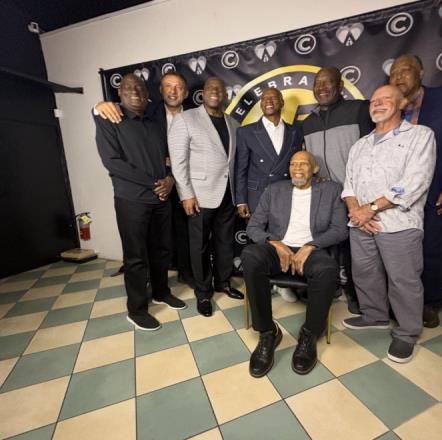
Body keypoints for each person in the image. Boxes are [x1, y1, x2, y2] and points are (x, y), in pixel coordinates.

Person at [341, 85, 436, 363]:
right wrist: (356, 211)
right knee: (365, 273)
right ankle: (375, 316)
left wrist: (369, 209)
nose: (377, 104)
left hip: (399, 223)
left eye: (386, 99)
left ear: (402, 104)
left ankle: (407, 332)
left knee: (403, 279)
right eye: (374, 100)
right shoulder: (360, 144)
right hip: (360, 223)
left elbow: (415, 182)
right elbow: (349, 185)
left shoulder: (420, 135)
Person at [242, 151, 348, 377]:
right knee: (250, 256)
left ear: (315, 169)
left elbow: (340, 230)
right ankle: (268, 333)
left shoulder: (331, 190)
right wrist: (275, 243)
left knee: (327, 270)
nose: (297, 168)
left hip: (312, 250)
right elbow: (253, 227)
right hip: (278, 248)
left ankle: (309, 334)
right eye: (293, 164)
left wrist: (310, 246)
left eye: (303, 164)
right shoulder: (274, 190)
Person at [93, 73, 185, 331]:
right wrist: (154, 184)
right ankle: (136, 309)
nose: (135, 91)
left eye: (140, 88)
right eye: (128, 87)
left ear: (148, 95)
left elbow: (168, 159)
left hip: (161, 199)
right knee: (136, 257)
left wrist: (169, 180)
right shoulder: (110, 119)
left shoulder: (154, 123)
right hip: (132, 200)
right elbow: (113, 162)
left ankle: (161, 292)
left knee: (162, 250)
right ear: (119, 93)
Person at [389, 54, 442, 328]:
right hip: (395, 196)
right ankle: (400, 303)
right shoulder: (387, 106)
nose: (398, 77)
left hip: (436, 190)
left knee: (432, 249)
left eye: (405, 70)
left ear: (421, 72)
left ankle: (429, 304)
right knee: (398, 251)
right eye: (394, 73)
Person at [169, 77, 244, 317]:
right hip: (199, 196)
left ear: (226, 95)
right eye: (211, 88)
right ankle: (203, 292)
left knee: (225, 242)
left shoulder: (234, 123)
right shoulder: (185, 119)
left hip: (228, 194)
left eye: (220, 89)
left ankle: (223, 282)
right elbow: (178, 162)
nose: (215, 92)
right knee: (199, 245)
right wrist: (186, 194)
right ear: (203, 93)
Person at [302, 67, 373, 314]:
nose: (321, 88)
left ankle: (357, 296)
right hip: (324, 197)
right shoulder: (307, 123)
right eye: (317, 83)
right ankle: (327, 288)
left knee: (357, 252)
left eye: (327, 82)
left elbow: (373, 152)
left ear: (340, 85)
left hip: (356, 196)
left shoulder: (359, 110)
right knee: (325, 248)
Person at [235, 87, 303, 302]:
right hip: (257, 194)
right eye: (264, 98)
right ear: (260, 104)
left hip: (285, 193)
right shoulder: (246, 132)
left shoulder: (295, 130)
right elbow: (241, 168)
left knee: (283, 238)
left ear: (282, 103)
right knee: (259, 241)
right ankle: (260, 283)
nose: (268, 101)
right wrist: (241, 200)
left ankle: (281, 282)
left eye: (273, 97)